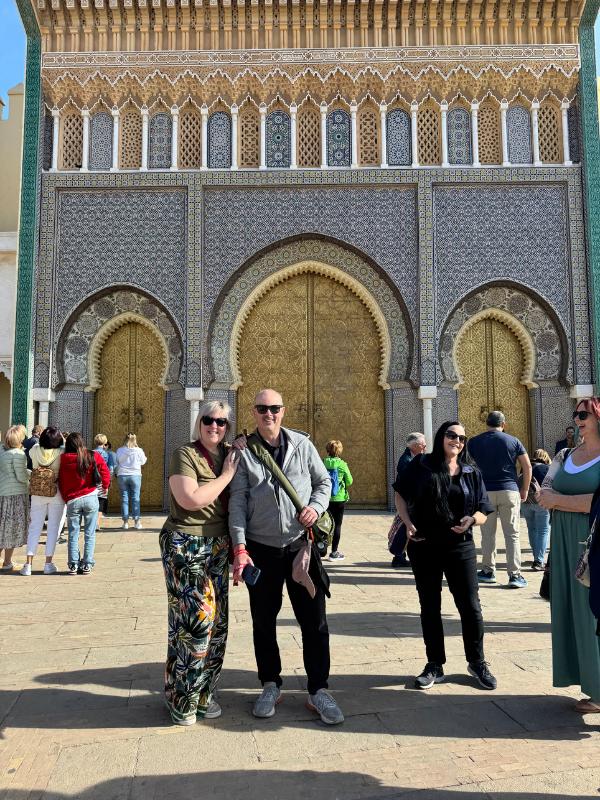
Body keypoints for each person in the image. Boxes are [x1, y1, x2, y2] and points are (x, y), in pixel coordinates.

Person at [229, 388, 344, 725]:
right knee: (263, 621)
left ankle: (318, 690)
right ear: (254, 412)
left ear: (283, 410)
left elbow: (324, 482)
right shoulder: (244, 452)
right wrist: (240, 547)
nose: (269, 414)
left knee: (314, 620)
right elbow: (237, 501)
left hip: (300, 548)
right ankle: (270, 684)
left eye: (274, 408)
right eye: (262, 409)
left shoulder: (302, 445)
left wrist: (316, 506)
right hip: (261, 549)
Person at [393, 421, 497, 691]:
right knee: (430, 605)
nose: (457, 441)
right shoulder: (422, 465)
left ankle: (477, 662)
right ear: (441, 437)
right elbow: (400, 493)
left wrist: (471, 520)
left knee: (470, 607)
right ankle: (434, 664)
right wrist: (407, 523)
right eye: (452, 436)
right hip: (424, 545)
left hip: (460, 546)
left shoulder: (471, 471)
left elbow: (484, 510)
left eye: (462, 438)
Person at [160, 400, 240, 725]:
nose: (215, 426)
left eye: (222, 422)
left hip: (220, 544)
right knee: (197, 621)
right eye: (208, 419)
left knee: (218, 626)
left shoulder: (231, 453)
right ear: (199, 421)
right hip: (185, 543)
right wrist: (227, 475)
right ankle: (181, 699)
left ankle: (203, 695)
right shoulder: (186, 454)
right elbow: (189, 499)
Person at [539, 398, 600, 714]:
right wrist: (549, 499)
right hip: (563, 542)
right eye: (575, 414)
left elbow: (595, 502)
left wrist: (558, 501)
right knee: (571, 610)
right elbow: (545, 491)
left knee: (592, 613)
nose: (577, 419)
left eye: (583, 414)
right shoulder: (567, 455)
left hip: (592, 543)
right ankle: (591, 684)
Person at [467, 411, 531, 588]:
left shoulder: (475, 441)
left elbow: (464, 464)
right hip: (509, 490)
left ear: (486, 424)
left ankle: (488, 571)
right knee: (512, 535)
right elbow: (526, 466)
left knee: (488, 534)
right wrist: (524, 489)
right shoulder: (513, 441)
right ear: (503, 424)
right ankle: (515, 575)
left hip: (485, 493)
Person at [58, 432, 110, 575]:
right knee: (89, 533)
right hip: (90, 498)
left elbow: (61, 480)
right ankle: (87, 564)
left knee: (73, 533)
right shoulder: (92, 455)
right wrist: (105, 486)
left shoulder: (63, 459)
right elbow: (105, 471)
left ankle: (73, 564)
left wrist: (65, 497)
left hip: (73, 500)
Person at [20, 426, 66, 576]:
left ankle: (28, 564)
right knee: (53, 528)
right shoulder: (61, 452)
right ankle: (48, 563)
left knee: (34, 527)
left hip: (37, 492)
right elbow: (64, 445)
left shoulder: (34, 450)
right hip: (56, 492)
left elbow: (34, 446)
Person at [391, 432, 427, 567]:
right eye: (423, 445)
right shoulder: (406, 461)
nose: (425, 447)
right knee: (404, 528)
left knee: (405, 528)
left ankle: (400, 555)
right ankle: (398, 556)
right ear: (416, 446)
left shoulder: (413, 457)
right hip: (407, 501)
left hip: (411, 501)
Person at [0, 425, 29, 571]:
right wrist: (31, 476)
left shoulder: (2, 453)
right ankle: (7, 562)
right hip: (15, 496)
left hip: (3, 493)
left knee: (2, 528)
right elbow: (21, 476)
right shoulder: (18, 454)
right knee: (11, 529)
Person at [520, 448, 551, 571]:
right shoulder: (546, 468)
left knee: (532, 529)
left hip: (526, 502)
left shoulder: (525, 467)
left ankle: (536, 556)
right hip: (541, 502)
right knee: (543, 530)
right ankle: (539, 560)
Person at [323, 439, 353, 561]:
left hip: (324, 498)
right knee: (337, 525)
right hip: (339, 498)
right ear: (339, 451)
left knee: (323, 523)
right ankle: (334, 552)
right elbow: (350, 481)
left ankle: (321, 548)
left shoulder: (322, 462)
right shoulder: (342, 465)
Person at [115, 433, 147, 530]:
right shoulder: (139, 450)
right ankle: (137, 522)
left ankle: (125, 522)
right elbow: (143, 461)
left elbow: (117, 461)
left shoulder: (120, 450)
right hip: (135, 475)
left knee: (124, 498)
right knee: (135, 498)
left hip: (122, 475)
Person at [93, 433, 113, 530]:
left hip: (92, 480)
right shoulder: (107, 454)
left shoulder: (90, 452)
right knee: (101, 501)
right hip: (102, 480)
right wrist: (109, 481)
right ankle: (97, 523)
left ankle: (91, 521)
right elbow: (109, 469)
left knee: (93, 500)